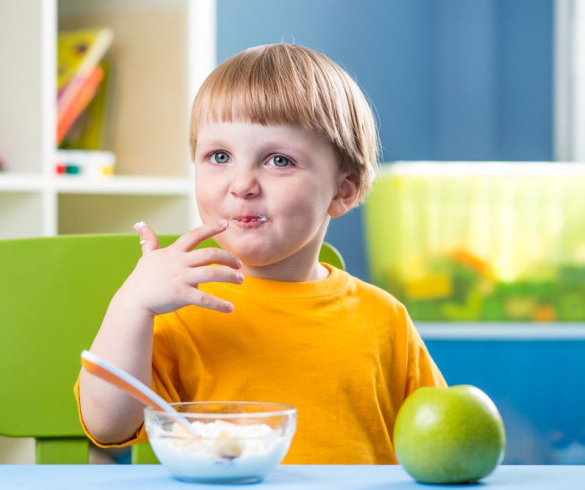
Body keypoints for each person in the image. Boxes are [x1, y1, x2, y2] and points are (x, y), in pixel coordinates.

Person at [76, 43, 445, 464]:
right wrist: (132, 304)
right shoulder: (178, 310)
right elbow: (108, 425)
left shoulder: (385, 319)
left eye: (278, 160)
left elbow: (443, 437)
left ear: (343, 190)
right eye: (219, 156)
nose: (242, 184)